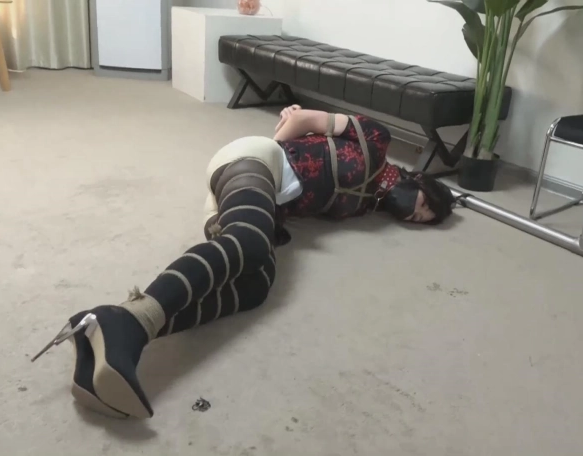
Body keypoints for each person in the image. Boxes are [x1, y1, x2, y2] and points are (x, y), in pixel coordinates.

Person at [31, 106, 456, 419]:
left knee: (257, 286)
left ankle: (102, 327)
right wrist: (288, 130)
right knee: (251, 244)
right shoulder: (375, 140)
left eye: (421, 220)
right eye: (424, 205)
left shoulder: (364, 207)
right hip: (256, 161)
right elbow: (303, 119)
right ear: (419, 181)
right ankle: (131, 322)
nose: (415, 215)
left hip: (251, 199)